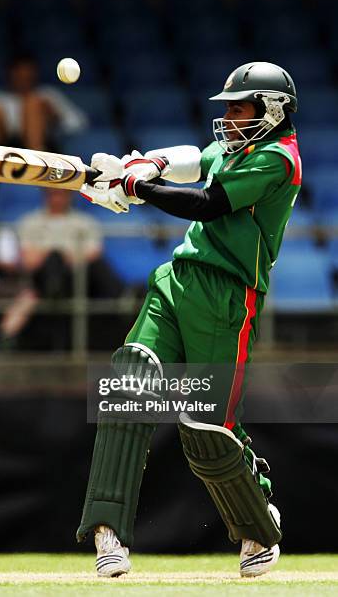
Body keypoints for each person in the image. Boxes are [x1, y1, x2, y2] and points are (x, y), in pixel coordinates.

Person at [76, 62, 301, 578]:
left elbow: (208, 202)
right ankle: (108, 534)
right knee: (129, 381)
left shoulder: (278, 159)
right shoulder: (237, 143)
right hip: (178, 280)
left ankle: (256, 522)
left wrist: (136, 189)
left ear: (272, 108)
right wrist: (146, 165)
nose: (229, 118)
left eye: (239, 108)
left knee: (205, 428)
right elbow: (192, 162)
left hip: (226, 298)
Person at [0, 188, 125, 351]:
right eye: (53, 193)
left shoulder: (84, 222)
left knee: (65, 261)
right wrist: (62, 255)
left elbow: (95, 253)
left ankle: (122, 301)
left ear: (70, 196)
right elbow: (28, 260)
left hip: (76, 277)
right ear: (45, 195)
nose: (57, 198)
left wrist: (59, 256)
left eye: (62, 194)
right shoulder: (31, 222)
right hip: (41, 278)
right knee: (53, 260)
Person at [0, 53, 87, 151]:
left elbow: (78, 123)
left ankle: (37, 168)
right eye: (19, 75)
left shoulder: (47, 95)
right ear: (10, 75)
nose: (24, 79)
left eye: (28, 75)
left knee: (33, 104)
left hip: (43, 150)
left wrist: (54, 115)